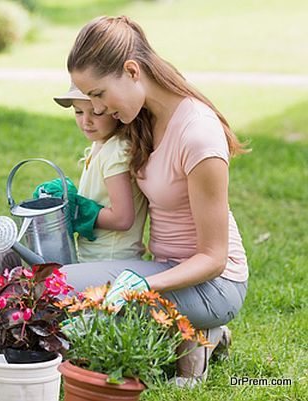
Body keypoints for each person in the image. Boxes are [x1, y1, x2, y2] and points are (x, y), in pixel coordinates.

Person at [61, 15, 249, 386]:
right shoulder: (144, 116)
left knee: (78, 306)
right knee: (61, 289)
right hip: (162, 268)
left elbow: (213, 259)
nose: (96, 109)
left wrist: (145, 286)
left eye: (98, 94)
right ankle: (190, 335)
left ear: (131, 71)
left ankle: (201, 334)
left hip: (214, 284)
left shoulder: (198, 135)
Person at [53, 83, 147, 262]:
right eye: (78, 112)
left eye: (95, 112)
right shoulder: (100, 144)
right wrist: (66, 197)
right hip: (93, 258)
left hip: (112, 261)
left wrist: (76, 209)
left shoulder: (117, 152)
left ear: (115, 111)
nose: (85, 121)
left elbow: (122, 219)